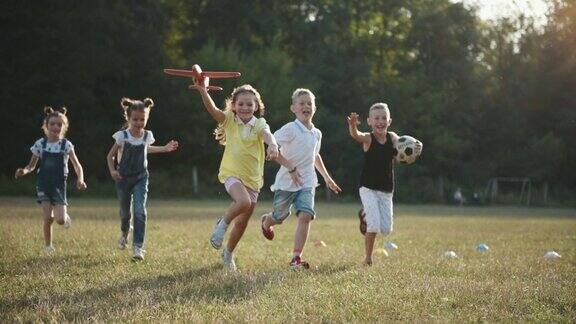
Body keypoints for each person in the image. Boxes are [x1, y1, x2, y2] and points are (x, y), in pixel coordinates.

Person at [190, 83, 279, 271]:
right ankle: (221, 225)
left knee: (241, 223)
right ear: (233, 105)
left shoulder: (259, 124)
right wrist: (203, 91)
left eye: (249, 104)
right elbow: (213, 110)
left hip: (253, 179)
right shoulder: (230, 120)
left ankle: (228, 253)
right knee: (243, 202)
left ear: (256, 106)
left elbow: (268, 135)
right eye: (240, 104)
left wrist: (272, 145)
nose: (245, 108)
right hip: (231, 173)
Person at [260, 88, 341, 269]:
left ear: (314, 108)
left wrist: (327, 178)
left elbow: (315, 156)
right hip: (286, 182)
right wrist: (290, 167)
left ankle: (296, 258)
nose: (306, 106)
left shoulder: (316, 133)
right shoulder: (290, 129)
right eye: (302, 103)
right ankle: (267, 221)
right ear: (293, 108)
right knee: (280, 217)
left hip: (307, 182)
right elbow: (272, 147)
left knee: (306, 215)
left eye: (309, 103)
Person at [347, 103, 421, 266]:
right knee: (373, 226)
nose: (380, 121)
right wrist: (352, 126)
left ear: (389, 121)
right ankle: (368, 258)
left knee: (386, 230)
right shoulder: (368, 138)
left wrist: (414, 148)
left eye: (383, 118)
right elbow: (356, 135)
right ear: (369, 121)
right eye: (376, 118)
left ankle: (365, 215)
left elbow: (400, 152)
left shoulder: (393, 138)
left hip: (386, 190)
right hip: (368, 187)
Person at [106, 98, 179, 261]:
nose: (139, 123)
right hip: (123, 179)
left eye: (142, 119)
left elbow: (146, 149)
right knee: (125, 214)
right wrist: (112, 171)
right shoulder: (122, 136)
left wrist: (164, 149)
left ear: (146, 118)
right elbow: (110, 156)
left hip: (141, 178)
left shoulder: (147, 135)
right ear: (128, 118)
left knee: (139, 211)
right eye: (135, 119)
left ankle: (138, 247)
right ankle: (125, 233)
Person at [15, 107, 87, 253]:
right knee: (48, 218)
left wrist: (80, 179)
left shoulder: (66, 145)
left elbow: (77, 165)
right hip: (43, 184)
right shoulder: (40, 144)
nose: (56, 127)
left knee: (59, 220)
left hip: (59, 185)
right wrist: (23, 171)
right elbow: (31, 166)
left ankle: (65, 217)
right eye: (53, 124)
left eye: (59, 124)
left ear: (64, 127)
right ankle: (48, 246)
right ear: (46, 126)